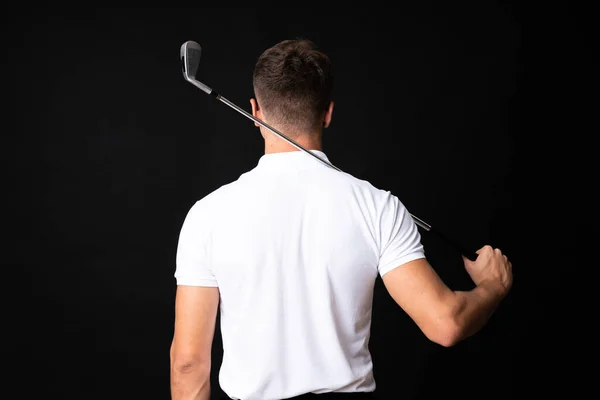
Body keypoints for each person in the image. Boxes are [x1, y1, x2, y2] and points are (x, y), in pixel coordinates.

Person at [169, 39, 513, 400]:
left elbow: (188, 363)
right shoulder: (378, 207)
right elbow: (447, 323)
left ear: (256, 111)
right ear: (329, 113)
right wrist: (493, 286)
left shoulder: (207, 214)